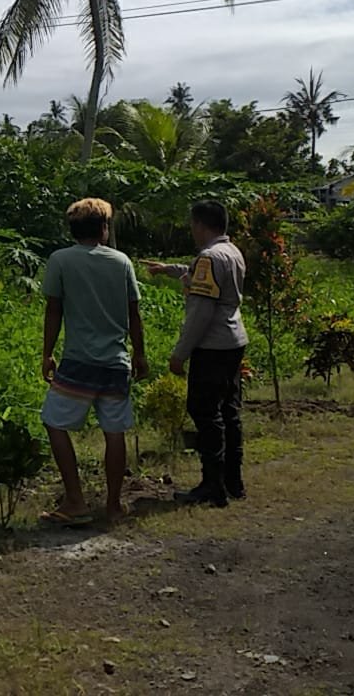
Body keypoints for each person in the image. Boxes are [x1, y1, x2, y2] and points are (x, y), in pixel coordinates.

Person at [39, 197, 148, 526]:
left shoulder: (60, 260)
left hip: (79, 360)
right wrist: (140, 354)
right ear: (103, 228)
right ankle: (114, 505)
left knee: (54, 421)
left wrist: (47, 353)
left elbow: (54, 310)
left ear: (73, 230)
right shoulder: (122, 262)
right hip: (116, 361)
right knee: (114, 432)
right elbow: (134, 313)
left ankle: (76, 500)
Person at [143, 200, 248, 508]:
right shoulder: (231, 252)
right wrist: (168, 271)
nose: (192, 231)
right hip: (234, 341)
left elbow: (201, 312)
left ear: (202, 225)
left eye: (193, 225)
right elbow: (197, 275)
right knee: (229, 412)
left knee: (205, 412)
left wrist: (180, 354)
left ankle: (212, 486)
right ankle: (233, 481)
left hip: (212, 346)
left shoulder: (208, 257)